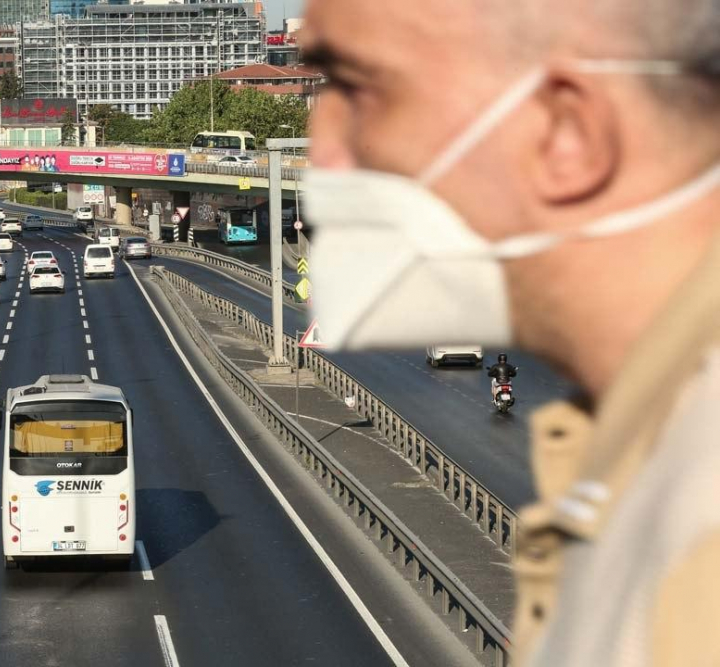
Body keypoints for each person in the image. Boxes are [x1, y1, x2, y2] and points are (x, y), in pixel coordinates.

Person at [301, 0, 720, 664]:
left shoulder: (694, 537)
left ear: (566, 134)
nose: (320, 159)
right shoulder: (628, 467)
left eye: (360, 92)